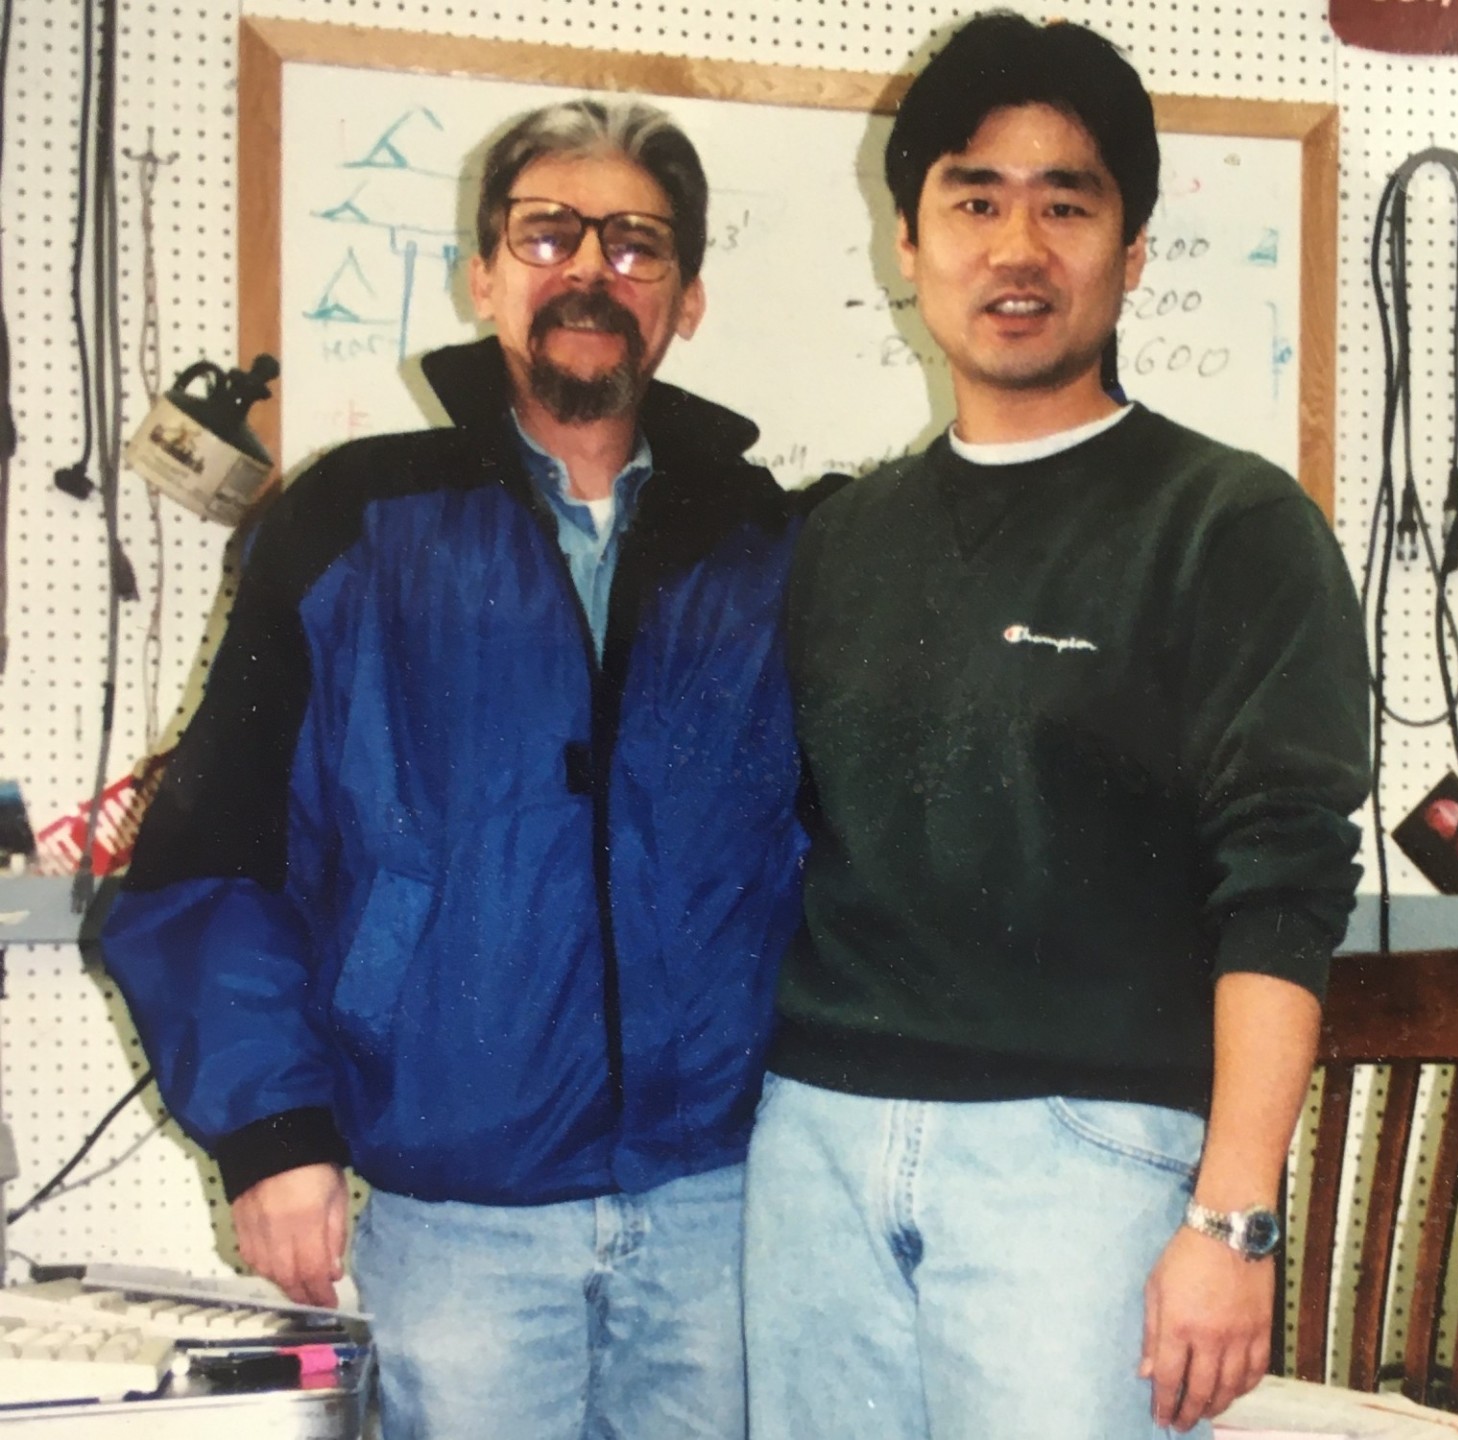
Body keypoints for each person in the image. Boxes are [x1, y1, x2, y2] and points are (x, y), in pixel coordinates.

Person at [103, 98, 809, 1440]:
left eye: (637, 244)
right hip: (458, 1224)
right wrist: (274, 1132)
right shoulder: (349, 521)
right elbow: (210, 859)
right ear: (482, 276)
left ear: (689, 298)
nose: (590, 270)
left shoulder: (772, 547)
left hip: (723, 1207)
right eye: (548, 235)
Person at [743, 13, 1371, 1439]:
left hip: (1086, 1160)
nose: (1015, 247)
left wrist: (1236, 1215)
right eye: (973, 198)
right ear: (907, 245)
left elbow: (1286, 880)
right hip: (818, 1147)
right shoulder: (834, 541)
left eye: (1065, 203)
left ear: (1131, 253)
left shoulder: (1231, 525)